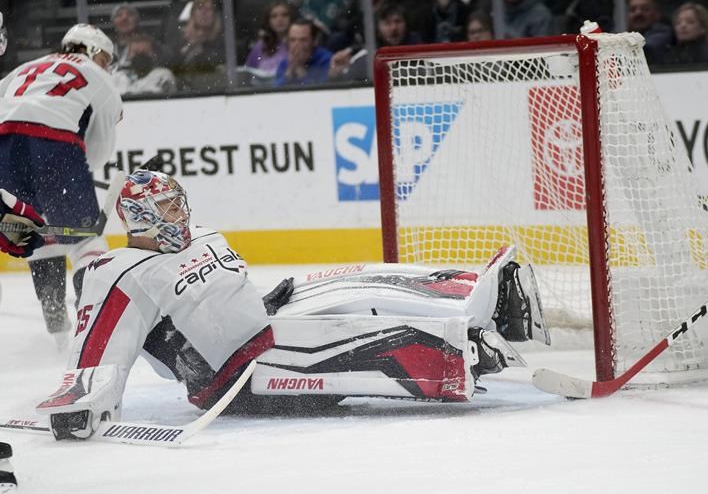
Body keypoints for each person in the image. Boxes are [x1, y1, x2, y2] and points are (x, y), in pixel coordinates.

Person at [35, 170, 549, 440]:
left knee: (353, 277)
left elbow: (210, 303)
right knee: (356, 332)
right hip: (232, 380)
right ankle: (460, 347)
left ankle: (474, 291)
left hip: (262, 333)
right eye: (167, 207)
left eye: (179, 202)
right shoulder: (117, 271)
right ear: (139, 215)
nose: (180, 213)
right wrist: (79, 406)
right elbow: (99, 347)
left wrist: (263, 302)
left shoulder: (204, 236)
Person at [0, 24, 122, 343]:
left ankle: (56, 326)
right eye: (106, 58)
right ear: (93, 51)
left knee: (32, 230)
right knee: (86, 239)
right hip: (54, 144)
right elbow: (100, 149)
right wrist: (72, 174)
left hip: (2, 146)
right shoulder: (101, 79)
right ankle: (91, 334)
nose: (107, 65)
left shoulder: (25, 67)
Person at [243, 0, 296, 85]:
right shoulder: (260, 46)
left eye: (284, 15)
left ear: (291, 18)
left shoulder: (299, 43)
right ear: (268, 21)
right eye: (274, 16)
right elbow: (248, 74)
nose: (280, 19)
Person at [110, 34, 177, 95]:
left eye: (144, 52)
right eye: (136, 52)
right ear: (128, 55)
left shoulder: (163, 74)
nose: (140, 56)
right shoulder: (117, 77)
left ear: (154, 55)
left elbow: (152, 97)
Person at [274, 18, 331, 86]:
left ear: (314, 41)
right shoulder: (285, 63)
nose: (297, 45)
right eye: (293, 40)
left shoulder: (326, 60)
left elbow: (321, 92)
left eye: (303, 40)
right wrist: (289, 72)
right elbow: (274, 91)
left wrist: (299, 69)